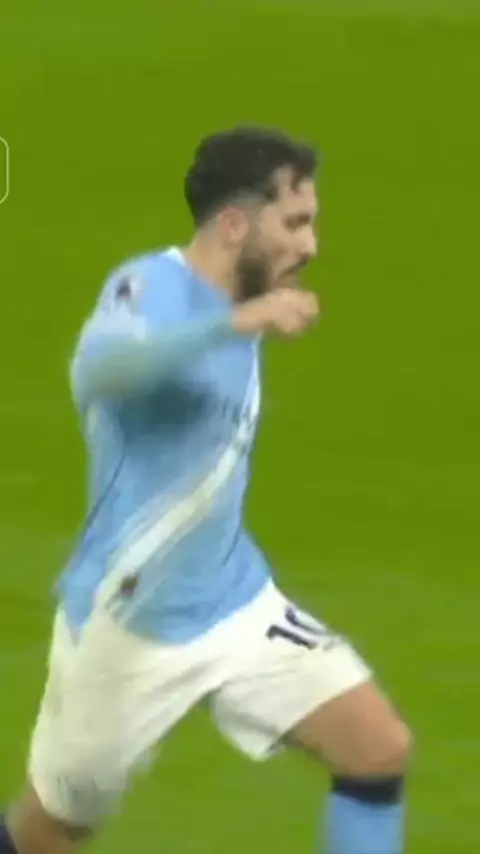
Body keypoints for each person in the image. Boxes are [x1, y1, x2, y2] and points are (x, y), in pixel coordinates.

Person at [1, 126, 411, 854]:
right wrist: (234, 323)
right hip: (128, 628)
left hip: (234, 602)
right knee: (48, 831)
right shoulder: (153, 286)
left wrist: (240, 317)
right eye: (295, 222)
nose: (311, 245)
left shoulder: (243, 297)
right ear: (234, 225)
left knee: (378, 748)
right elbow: (97, 371)